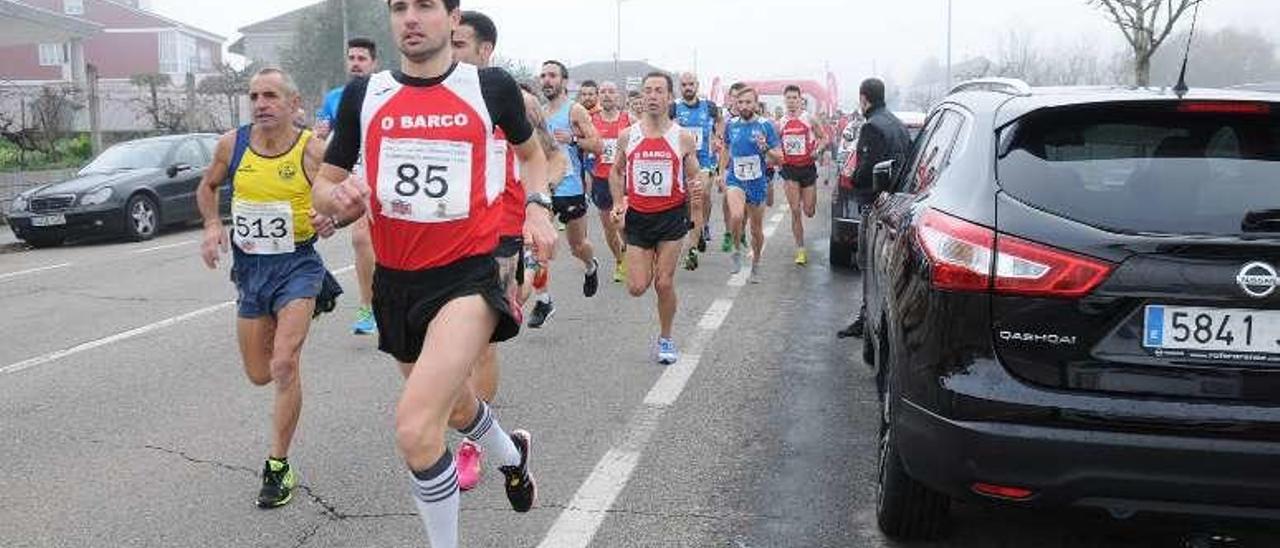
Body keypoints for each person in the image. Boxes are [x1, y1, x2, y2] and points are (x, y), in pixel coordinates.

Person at [312, 1, 558, 546]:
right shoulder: (364, 95)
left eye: (425, 5)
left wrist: (538, 207)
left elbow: (532, 155)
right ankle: (513, 456)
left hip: (466, 277)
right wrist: (337, 198)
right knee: (456, 406)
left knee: (416, 430)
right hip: (397, 282)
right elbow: (324, 184)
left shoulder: (488, 88)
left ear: (452, 18)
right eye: (400, 7)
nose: (411, 17)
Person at [195, 68, 338, 509]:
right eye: (255, 95)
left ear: (294, 105)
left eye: (271, 95)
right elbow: (208, 185)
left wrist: (329, 217)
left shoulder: (311, 150)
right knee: (259, 374)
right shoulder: (231, 144)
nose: (261, 103)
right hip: (252, 269)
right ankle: (282, 344)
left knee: (283, 365)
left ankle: (278, 464)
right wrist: (213, 223)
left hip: (297, 264)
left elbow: (338, 198)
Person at [449, 9, 566, 493]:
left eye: (459, 44)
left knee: (479, 344)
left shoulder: (511, 99)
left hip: (498, 237)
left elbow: (552, 156)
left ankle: (474, 444)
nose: (450, 51)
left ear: (484, 51)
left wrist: (536, 206)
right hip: (445, 236)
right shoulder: (432, 97)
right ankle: (482, 429)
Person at [609, 71, 702, 365]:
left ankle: (666, 338)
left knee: (663, 283)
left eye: (659, 91)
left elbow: (694, 176)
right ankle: (637, 254)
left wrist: (698, 189)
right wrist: (617, 203)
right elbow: (615, 171)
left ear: (669, 97)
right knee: (637, 287)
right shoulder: (628, 135)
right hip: (638, 217)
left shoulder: (682, 137)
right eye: (647, 90)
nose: (652, 96)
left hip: (671, 218)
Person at [314, 37, 381, 335]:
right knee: (361, 238)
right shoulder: (335, 97)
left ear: (373, 63)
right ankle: (368, 307)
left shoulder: (385, 91)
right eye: (351, 58)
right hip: (350, 168)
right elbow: (322, 138)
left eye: (362, 58)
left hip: (381, 165)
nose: (355, 63)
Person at [529, 59, 603, 329]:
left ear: (563, 81)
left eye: (552, 75)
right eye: (543, 75)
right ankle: (543, 299)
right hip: (543, 186)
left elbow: (597, 146)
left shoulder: (576, 110)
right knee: (538, 244)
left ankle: (591, 266)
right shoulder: (537, 111)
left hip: (571, 188)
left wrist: (572, 139)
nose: (546, 80)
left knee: (577, 246)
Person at [838, 78, 911, 339]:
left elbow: (867, 168)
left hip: (875, 204)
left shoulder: (872, 127)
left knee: (867, 263)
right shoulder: (898, 124)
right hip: (898, 203)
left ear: (863, 98)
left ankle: (867, 319)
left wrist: (854, 175)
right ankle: (873, 317)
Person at [719, 87, 780, 283]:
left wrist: (765, 148)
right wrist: (721, 172)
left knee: (756, 229)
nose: (744, 106)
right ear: (735, 104)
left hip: (757, 180)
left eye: (748, 102)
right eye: (740, 102)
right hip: (736, 178)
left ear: (755, 103)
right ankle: (736, 250)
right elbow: (726, 149)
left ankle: (756, 264)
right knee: (736, 216)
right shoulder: (731, 125)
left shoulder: (766, 126)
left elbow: (780, 158)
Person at [672, 72, 722, 271]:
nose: (687, 88)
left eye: (691, 84)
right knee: (689, 203)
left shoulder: (708, 106)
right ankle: (698, 228)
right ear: (680, 87)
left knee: (700, 195)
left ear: (697, 85)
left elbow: (720, 120)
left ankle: (693, 247)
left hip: (704, 161)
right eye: (684, 85)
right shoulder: (673, 108)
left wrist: (718, 135)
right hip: (682, 162)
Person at [777, 85, 829, 266]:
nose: (791, 101)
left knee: (809, 211)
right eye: (788, 98)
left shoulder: (809, 119)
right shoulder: (781, 122)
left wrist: (818, 150)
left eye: (794, 98)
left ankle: (806, 202)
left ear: (800, 100)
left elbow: (824, 138)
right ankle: (800, 250)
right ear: (784, 101)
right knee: (795, 211)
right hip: (790, 169)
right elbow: (775, 145)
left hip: (807, 168)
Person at [588, 80, 631, 283]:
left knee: (624, 221)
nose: (606, 95)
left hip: (625, 180)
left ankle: (631, 248)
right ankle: (620, 260)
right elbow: (582, 144)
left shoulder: (628, 119)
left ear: (618, 96)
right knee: (609, 226)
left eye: (611, 91)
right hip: (601, 180)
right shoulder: (591, 120)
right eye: (603, 92)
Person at [718, 81, 747, 253]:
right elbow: (720, 141)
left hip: (748, 167)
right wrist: (720, 172)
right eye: (735, 97)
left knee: (747, 204)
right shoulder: (725, 117)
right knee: (727, 200)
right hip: (729, 164)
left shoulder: (751, 115)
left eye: (740, 97)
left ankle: (742, 230)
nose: (737, 101)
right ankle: (728, 233)